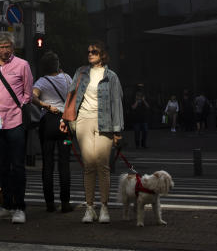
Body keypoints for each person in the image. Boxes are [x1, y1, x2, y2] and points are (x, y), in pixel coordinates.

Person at [60, 40, 123, 224]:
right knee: (88, 166)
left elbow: (116, 104)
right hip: (84, 121)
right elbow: (71, 96)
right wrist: (65, 119)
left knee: (103, 166)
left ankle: (104, 207)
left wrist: (117, 130)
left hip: (106, 123)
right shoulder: (80, 72)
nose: (90, 54)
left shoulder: (111, 76)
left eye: (94, 51)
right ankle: (89, 207)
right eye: (88, 51)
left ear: (102, 54)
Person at [0, 32, 33, 224]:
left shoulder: (22, 65)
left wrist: (19, 107)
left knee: (18, 167)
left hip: (15, 121)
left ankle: (19, 208)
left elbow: (28, 93)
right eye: (1, 46)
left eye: (8, 46)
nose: (5, 50)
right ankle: (4, 206)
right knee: (1, 167)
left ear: (13, 48)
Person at [31, 51, 74, 213]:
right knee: (64, 163)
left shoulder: (41, 82)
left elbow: (32, 97)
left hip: (47, 124)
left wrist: (45, 106)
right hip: (65, 125)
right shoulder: (67, 78)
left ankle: (50, 203)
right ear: (57, 64)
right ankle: (65, 203)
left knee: (47, 164)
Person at [131, 84, 150, 148]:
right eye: (138, 95)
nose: (139, 96)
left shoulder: (144, 100)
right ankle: (137, 145)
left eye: (140, 95)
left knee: (145, 132)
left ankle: (143, 144)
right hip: (136, 119)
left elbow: (148, 107)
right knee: (137, 132)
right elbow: (133, 107)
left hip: (144, 119)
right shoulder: (133, 100)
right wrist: (137, 101)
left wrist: (143, 100)